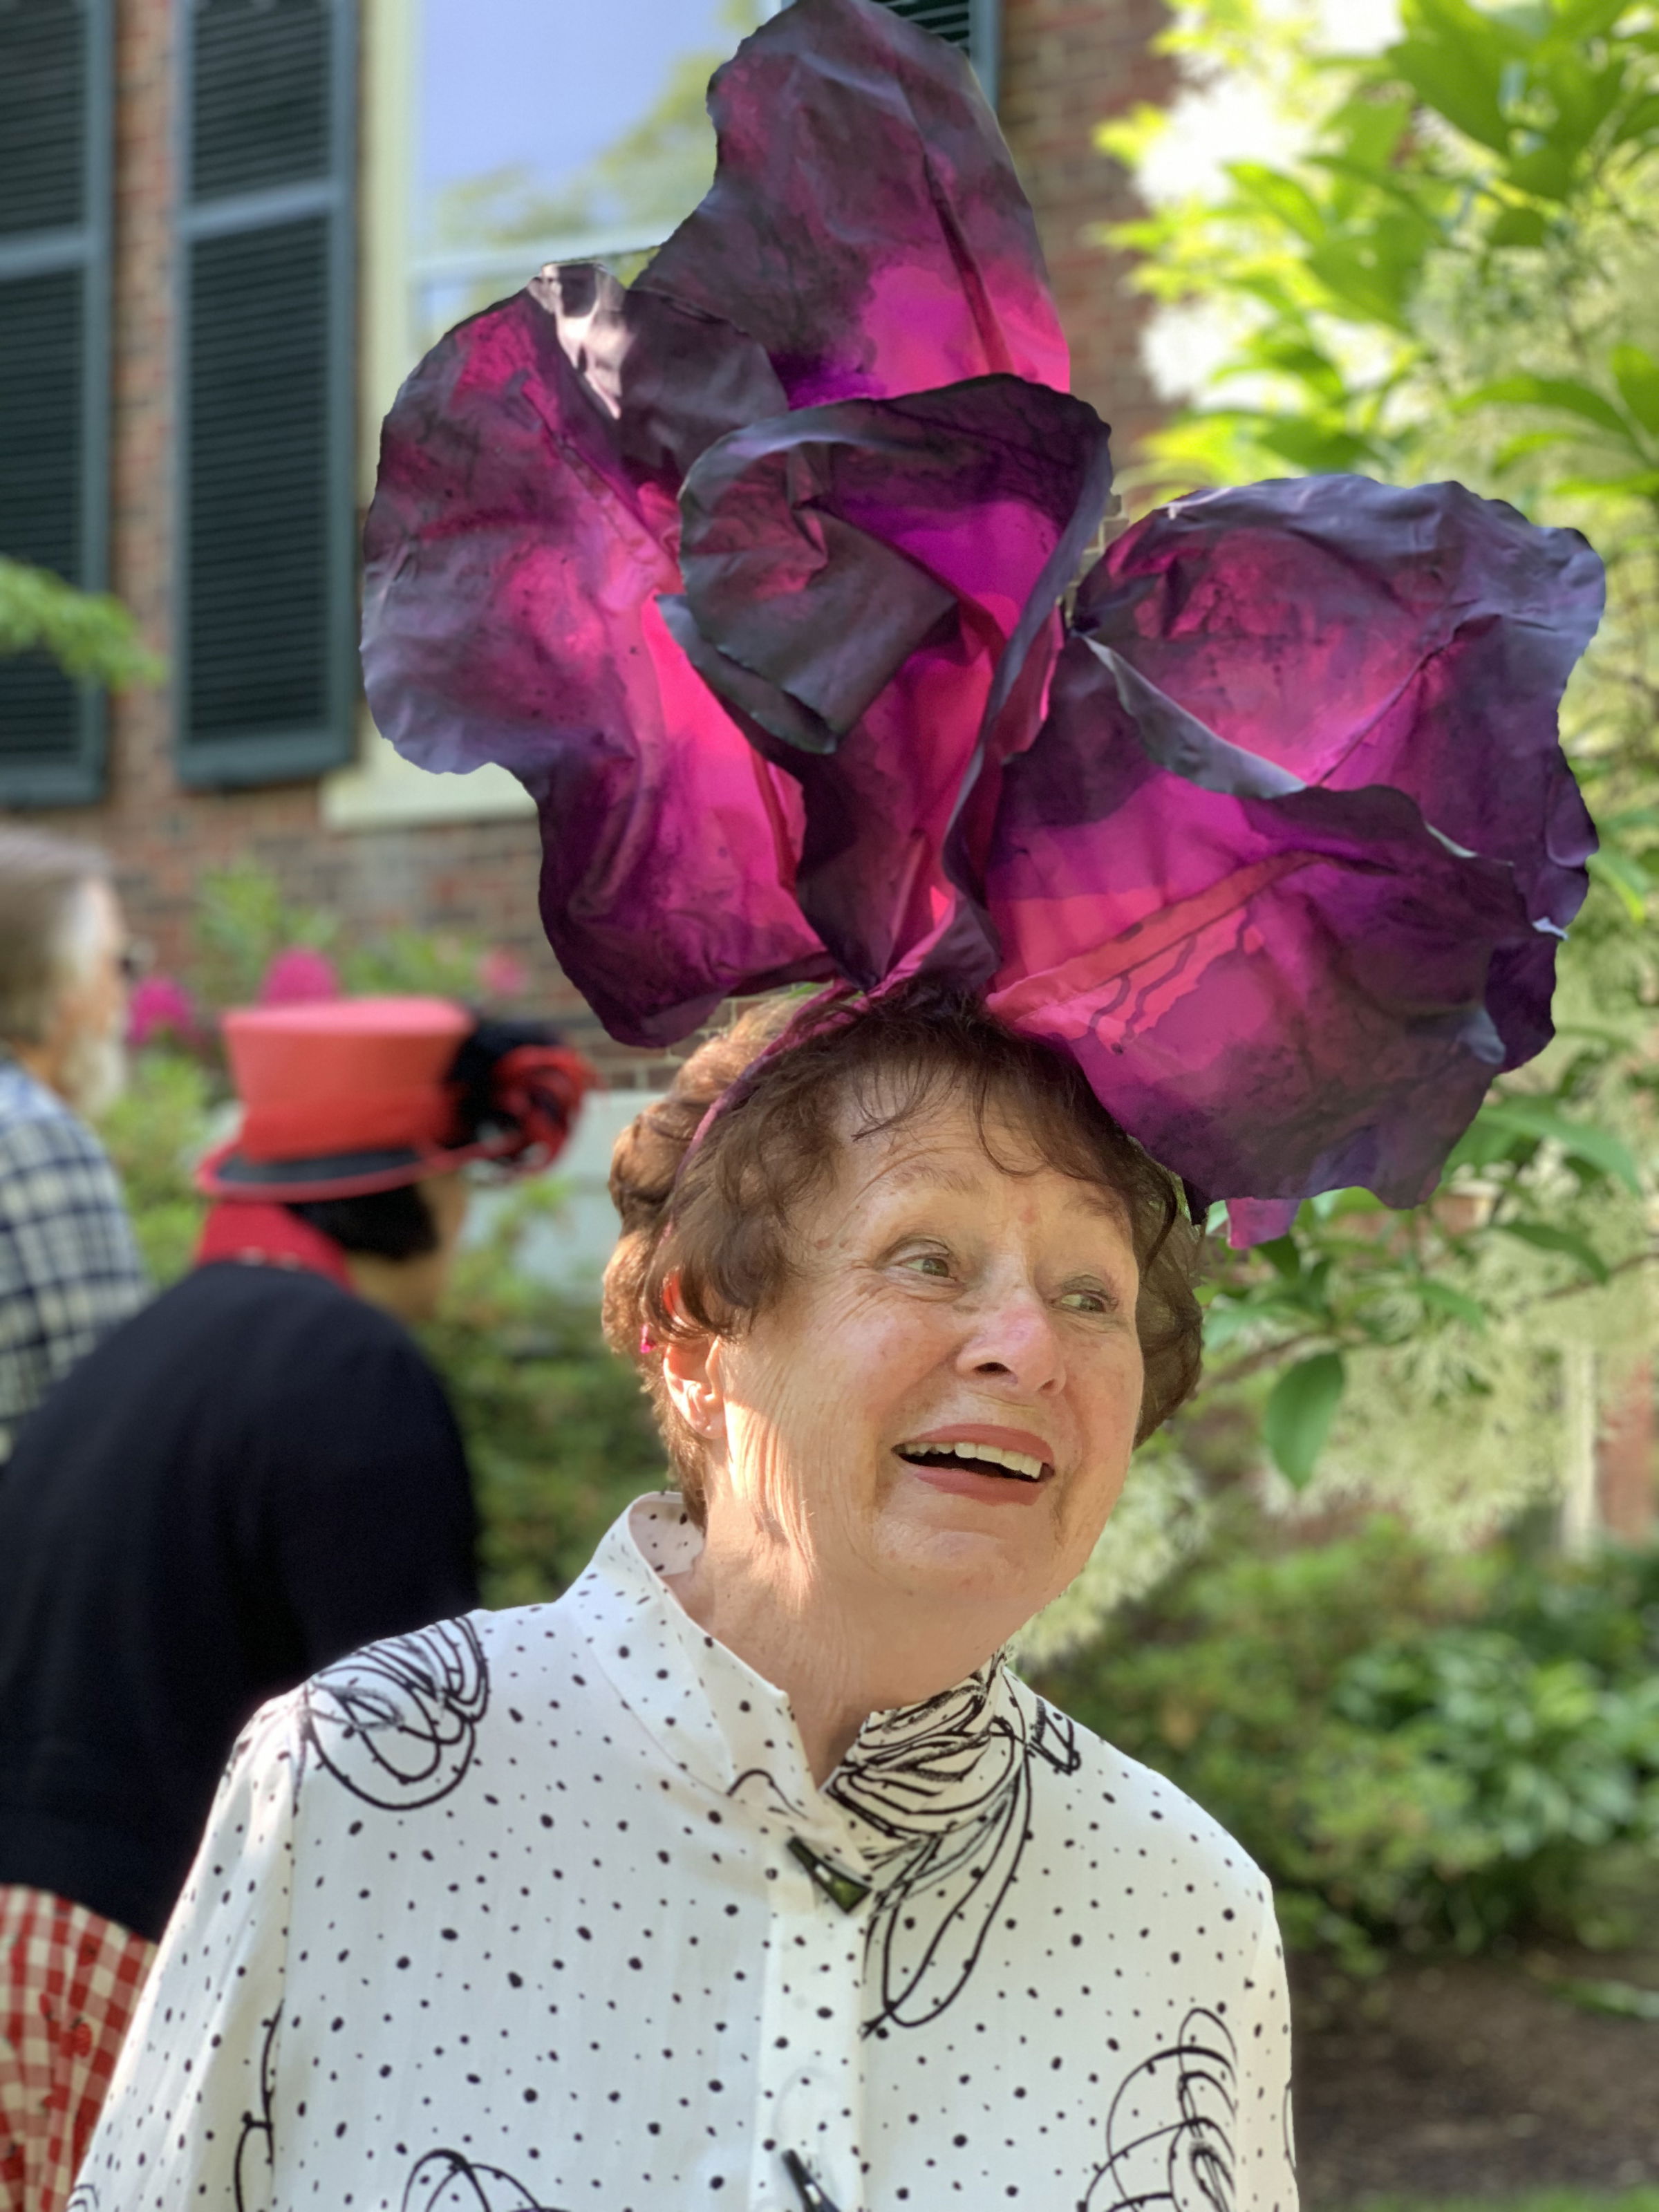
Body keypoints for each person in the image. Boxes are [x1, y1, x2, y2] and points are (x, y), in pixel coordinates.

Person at [78, 0, 1599, 2203]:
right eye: (928, 1259)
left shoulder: (1180, 1916)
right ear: (699, 1336)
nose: (1026, 1343)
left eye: (1092, 1294)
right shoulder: (367, 1795)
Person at [0, 995, 592, 2212]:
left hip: (33, 1947)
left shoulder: (142, 1351)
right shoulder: (352, 1371)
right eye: (459, 1182)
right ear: (418, 1191)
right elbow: (417, 1762)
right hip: (160, 1963)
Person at [0, 829, 146, 1467]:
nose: (125, 994)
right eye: (119, 963)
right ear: (62, 985)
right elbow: (107, 1428)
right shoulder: (33, 1139)